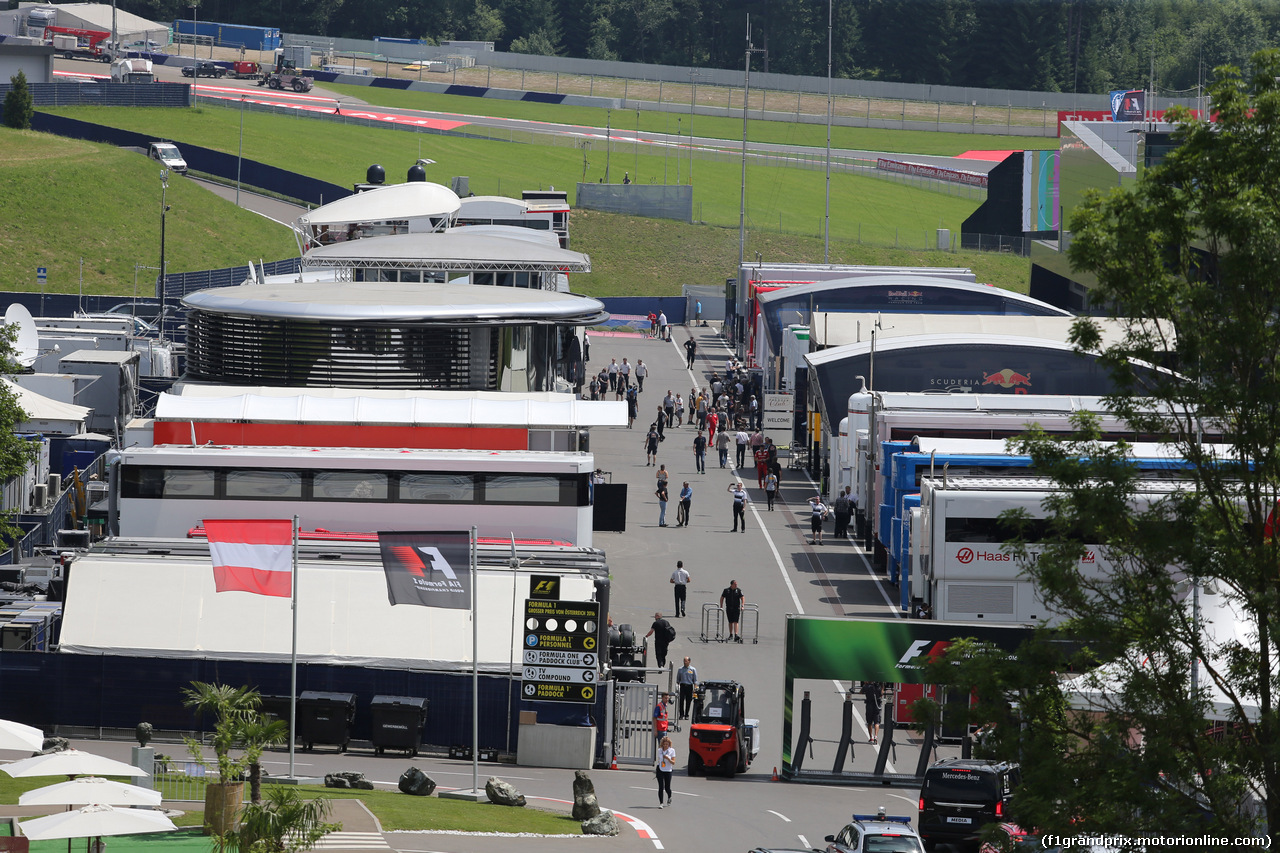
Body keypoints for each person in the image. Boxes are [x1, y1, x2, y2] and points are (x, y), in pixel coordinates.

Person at [656, 735, 675, 808]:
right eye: (664, 744)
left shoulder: (672, 751)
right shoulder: (659, 750)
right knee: (661, 787)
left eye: (667, 744)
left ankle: (669, 796)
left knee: (667, 787)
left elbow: (673, 762)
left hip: (668, 770)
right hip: (660, 769)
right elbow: (660, 759)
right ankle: (661, 803)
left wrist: (668, 759)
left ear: (669, 744)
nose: (665, 746)